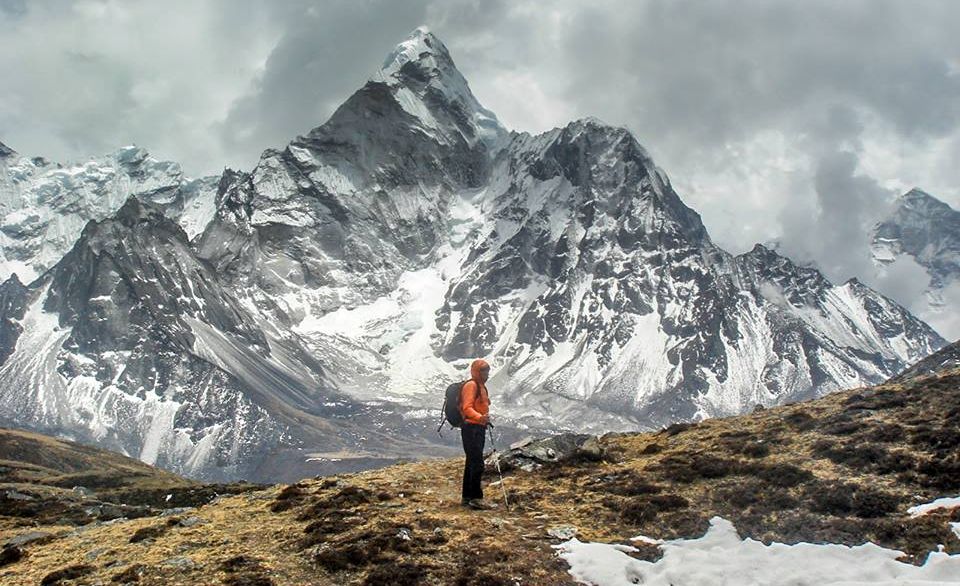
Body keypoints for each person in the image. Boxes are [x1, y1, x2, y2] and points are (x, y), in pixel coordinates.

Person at [460, 358, 495, 510]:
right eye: (483, 371)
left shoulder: (480, 386)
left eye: (487, 371)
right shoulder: (472, 386)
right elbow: (467, 408)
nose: (486, 374)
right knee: (477, 463)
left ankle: (467, 497)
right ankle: (476, 498)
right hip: (471, 428)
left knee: (471, 462)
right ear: (476, 371)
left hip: (477, 427)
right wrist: (480, 417)